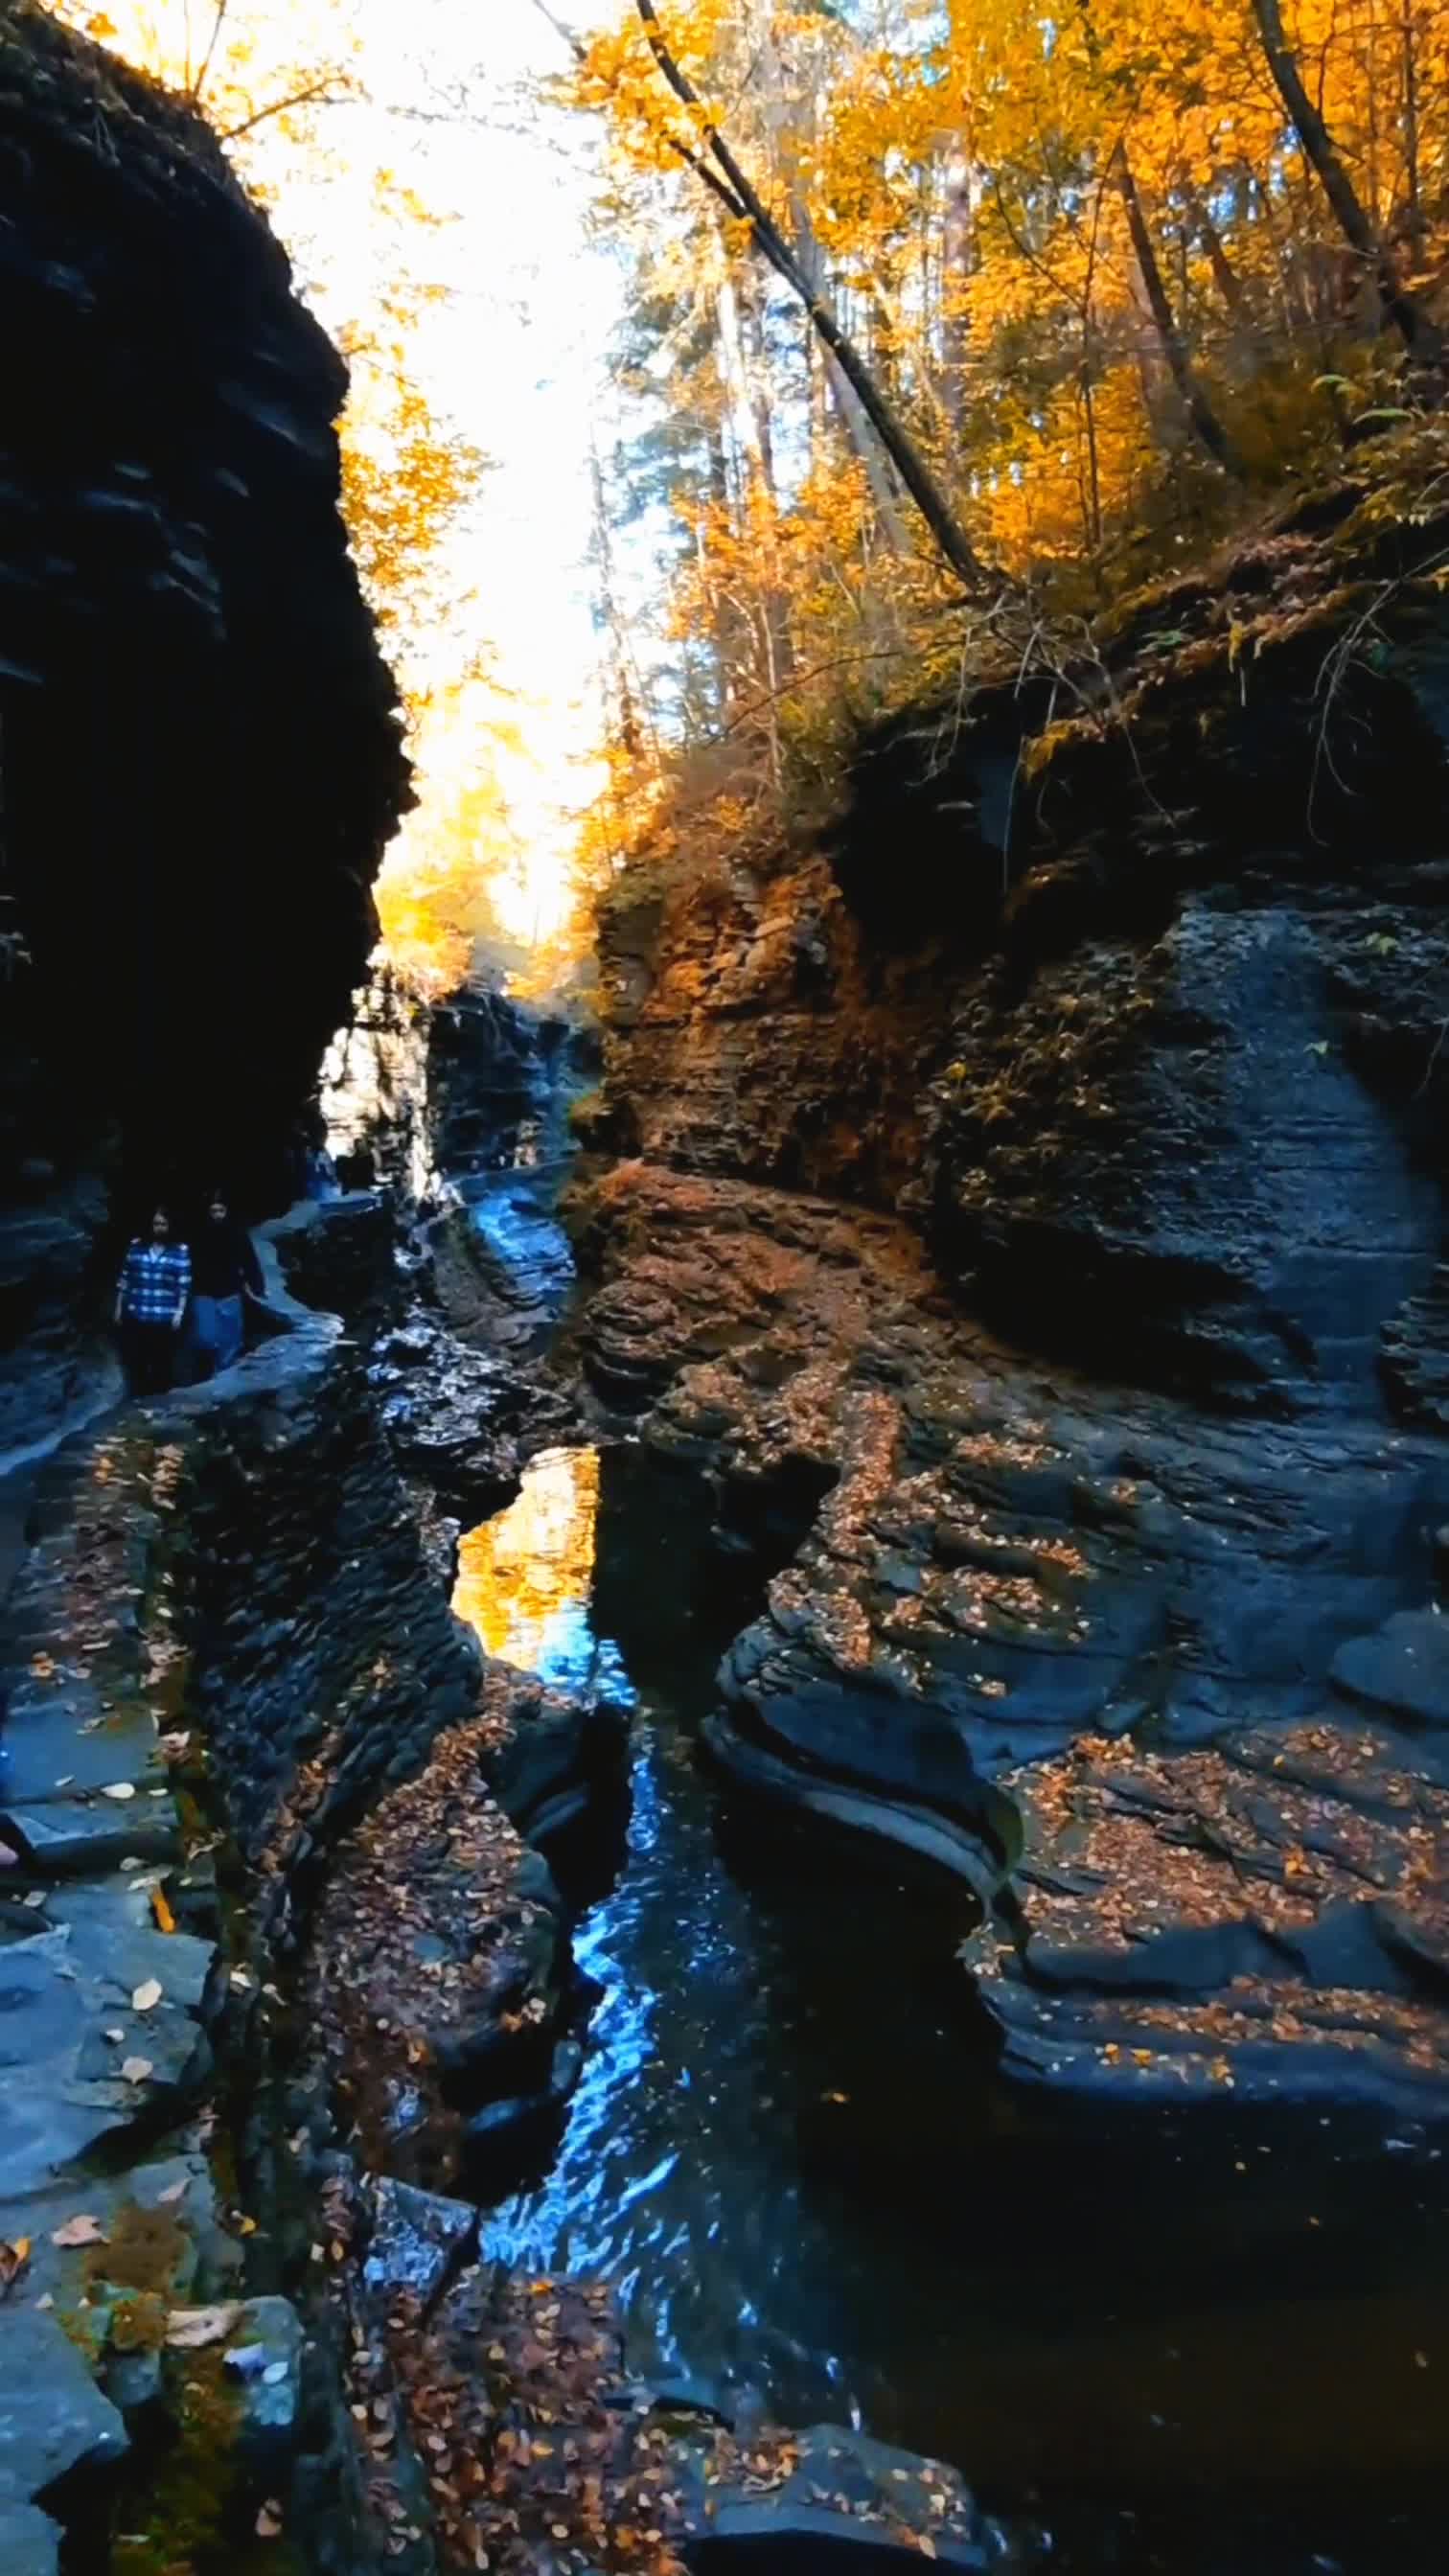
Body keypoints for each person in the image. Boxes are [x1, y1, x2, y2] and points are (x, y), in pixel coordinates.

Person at [114, 1208, 191, 1396]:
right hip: (138, 1312)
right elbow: (125, 1280)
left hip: (164, 1315)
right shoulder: (136, 1247)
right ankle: (140, 1399)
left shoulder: (180, 1250)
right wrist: (118, 1308)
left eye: (163, 1224)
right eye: (156, 1224)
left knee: (162, 1362)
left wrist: (179, 1312)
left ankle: (160, 1401)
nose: (159, 1228)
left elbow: (183, 1285)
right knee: (137, 1360)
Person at [190, 1192, 265, 1377]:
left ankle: (224, 1375)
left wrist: (257, 1286)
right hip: (203, 1292)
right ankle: (208, 1373)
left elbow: (249, 1261)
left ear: (227, 1211)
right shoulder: (198, 1234)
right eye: (213, 1211)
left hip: (230, 1291)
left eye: (221, 1210)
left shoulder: (237, 1233)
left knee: (230, 1340)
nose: (217, 1215)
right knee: (206, 1337)